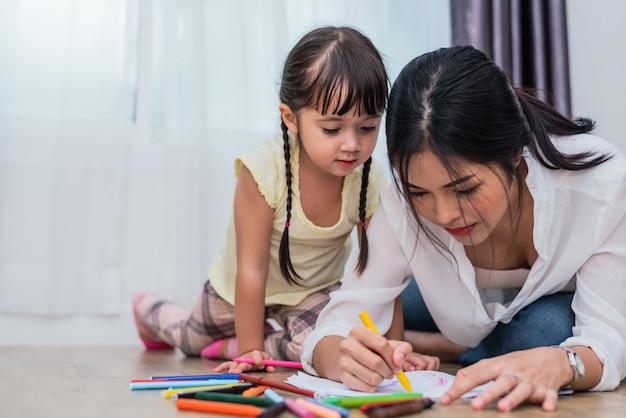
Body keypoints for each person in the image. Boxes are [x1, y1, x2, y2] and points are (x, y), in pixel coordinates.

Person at [301, 45, 626, 412]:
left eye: (465, 189)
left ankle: (444, 347)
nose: (444, 215)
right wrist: (340, 357)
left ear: (514, 152)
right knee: (379, 311)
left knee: (548, 333)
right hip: (442, 299)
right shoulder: (399, 207)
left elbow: (607, 338)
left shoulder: (599, 186)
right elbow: (337, 326)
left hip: (544, 310)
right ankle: (437, 341)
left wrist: (562, 364)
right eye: (419, 192)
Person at [132, 26, 392, 373]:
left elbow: (381, 274)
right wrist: (251, 353)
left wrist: (394, 351)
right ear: (291, 119)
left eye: (367, 127)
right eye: (332, 129)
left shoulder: (369, 179)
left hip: (310, 293)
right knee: (188, 340)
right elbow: (251, 269)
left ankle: (237, 346)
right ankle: (150, 310)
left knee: (323, 346)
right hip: (237, 290)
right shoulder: (262, 171)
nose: (351, 144)